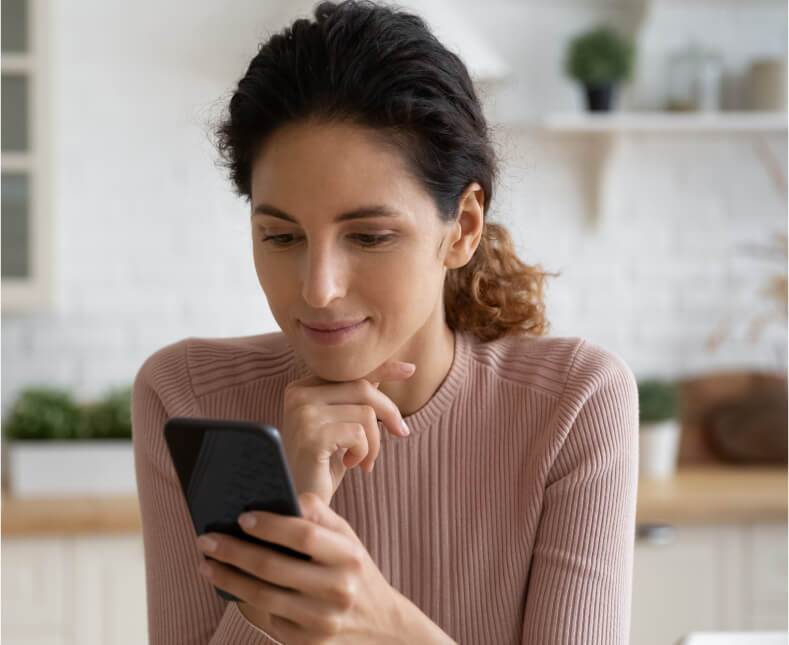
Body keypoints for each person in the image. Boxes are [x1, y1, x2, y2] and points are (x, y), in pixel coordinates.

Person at [131, 1, 639, 643]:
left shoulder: (572, 403)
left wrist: (385, 627)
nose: (319, 289)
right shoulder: (189, 398)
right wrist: (287, 524)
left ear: (464, 228)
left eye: (369, 236)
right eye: (282, 237)